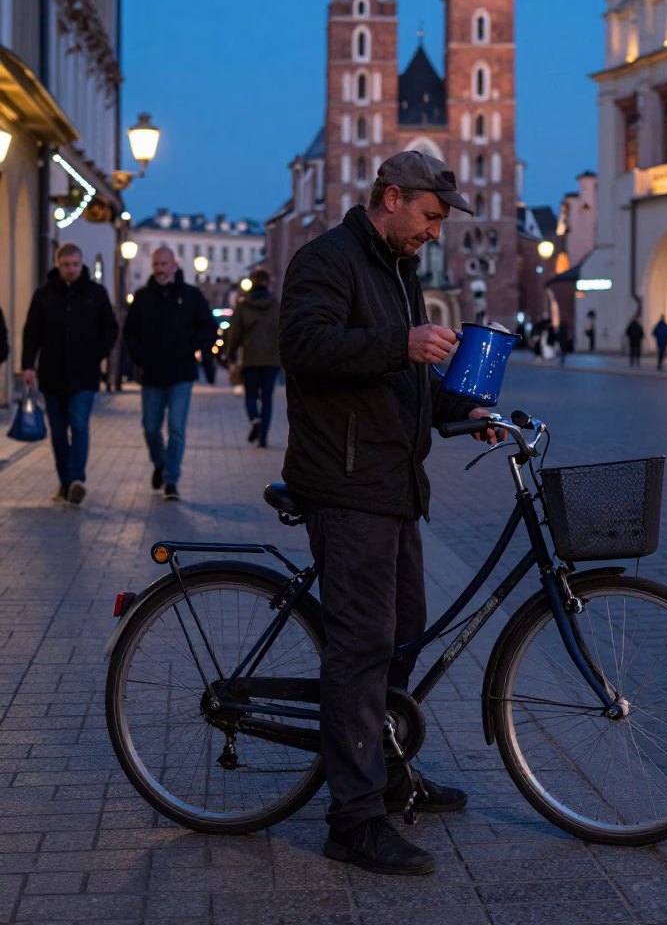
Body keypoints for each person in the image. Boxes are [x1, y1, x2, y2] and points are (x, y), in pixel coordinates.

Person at [279, 151, 499, 877]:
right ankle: (354, 821)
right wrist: (399, 343)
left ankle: (391, 771)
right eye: (430, 217)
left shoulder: (400, 272)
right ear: (393, 197)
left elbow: (410, 381)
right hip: (344, 484)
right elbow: (304, 347)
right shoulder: (327, 259)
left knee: (404, 632)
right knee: (362, 646)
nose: (436, 232)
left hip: (393, 485)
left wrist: (465, 410)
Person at [21, 243, 117, 504]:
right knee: (58, 431)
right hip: (52, 373)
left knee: (79, 423)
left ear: (81, 263)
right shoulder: (44, 295)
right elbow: (32, 332)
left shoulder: (95, 293)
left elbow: (110, 328)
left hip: (84, 373)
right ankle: (64, 482)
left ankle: (76, 479)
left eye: (75, 264)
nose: (71, 270)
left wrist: (97, 354)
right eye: (66, 265)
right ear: (58, 265)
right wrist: (28, 365)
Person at [124, 246, 215, 501]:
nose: (160, 269)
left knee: (176, 428)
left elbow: (209, 327)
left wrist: (192, 346)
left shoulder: (190, 295)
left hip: (181, 373)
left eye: (164, 264)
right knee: (151, 428)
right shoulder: (142, 297)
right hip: (151, 373)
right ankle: (160, 462)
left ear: (174, 265)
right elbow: (129, 333)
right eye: (156, 264)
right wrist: (139, 357)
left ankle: (171, 480)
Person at [225, 266, 281, 447]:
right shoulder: (276, 306)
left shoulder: (243, 306)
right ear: (268, 283)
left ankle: (255, 420)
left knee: (250, 395)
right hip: (272, 359)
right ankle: (263, 435)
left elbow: (234, 333)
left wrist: (230, 354)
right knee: (267, 398)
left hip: (250, 358)